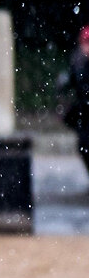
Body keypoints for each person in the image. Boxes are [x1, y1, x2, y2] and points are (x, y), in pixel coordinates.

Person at [58, 25, 89, 175]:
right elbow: (72, 80)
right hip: (84, 111)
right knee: (84, 145)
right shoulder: (78, 60)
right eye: (85, 43)